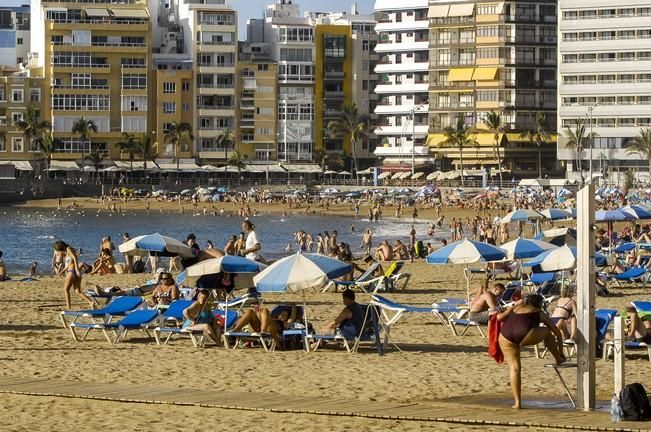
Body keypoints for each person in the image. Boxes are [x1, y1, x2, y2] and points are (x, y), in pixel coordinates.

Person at [498, 294, 565, 409]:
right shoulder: (539, 313)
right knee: (547, 333)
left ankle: (517, 403)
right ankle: (558, 358)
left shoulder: (516, 308)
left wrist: (514, 305)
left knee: (514, 369)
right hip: (524, 334)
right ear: (539, 304)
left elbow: (500, 317)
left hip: (505, 336)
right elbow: (557, 332)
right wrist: (561, 351)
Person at [230, 303, 297, 347]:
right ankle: (236, 329)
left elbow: (292, 316)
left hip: (270, 330)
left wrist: (294, 306)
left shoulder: (286, 323)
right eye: (282, 314)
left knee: (264, 310)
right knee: (250, 311)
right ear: (278, 315)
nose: (284, 316)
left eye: (286, 315)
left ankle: (263, 330)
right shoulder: (271, 318)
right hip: (258, 328)